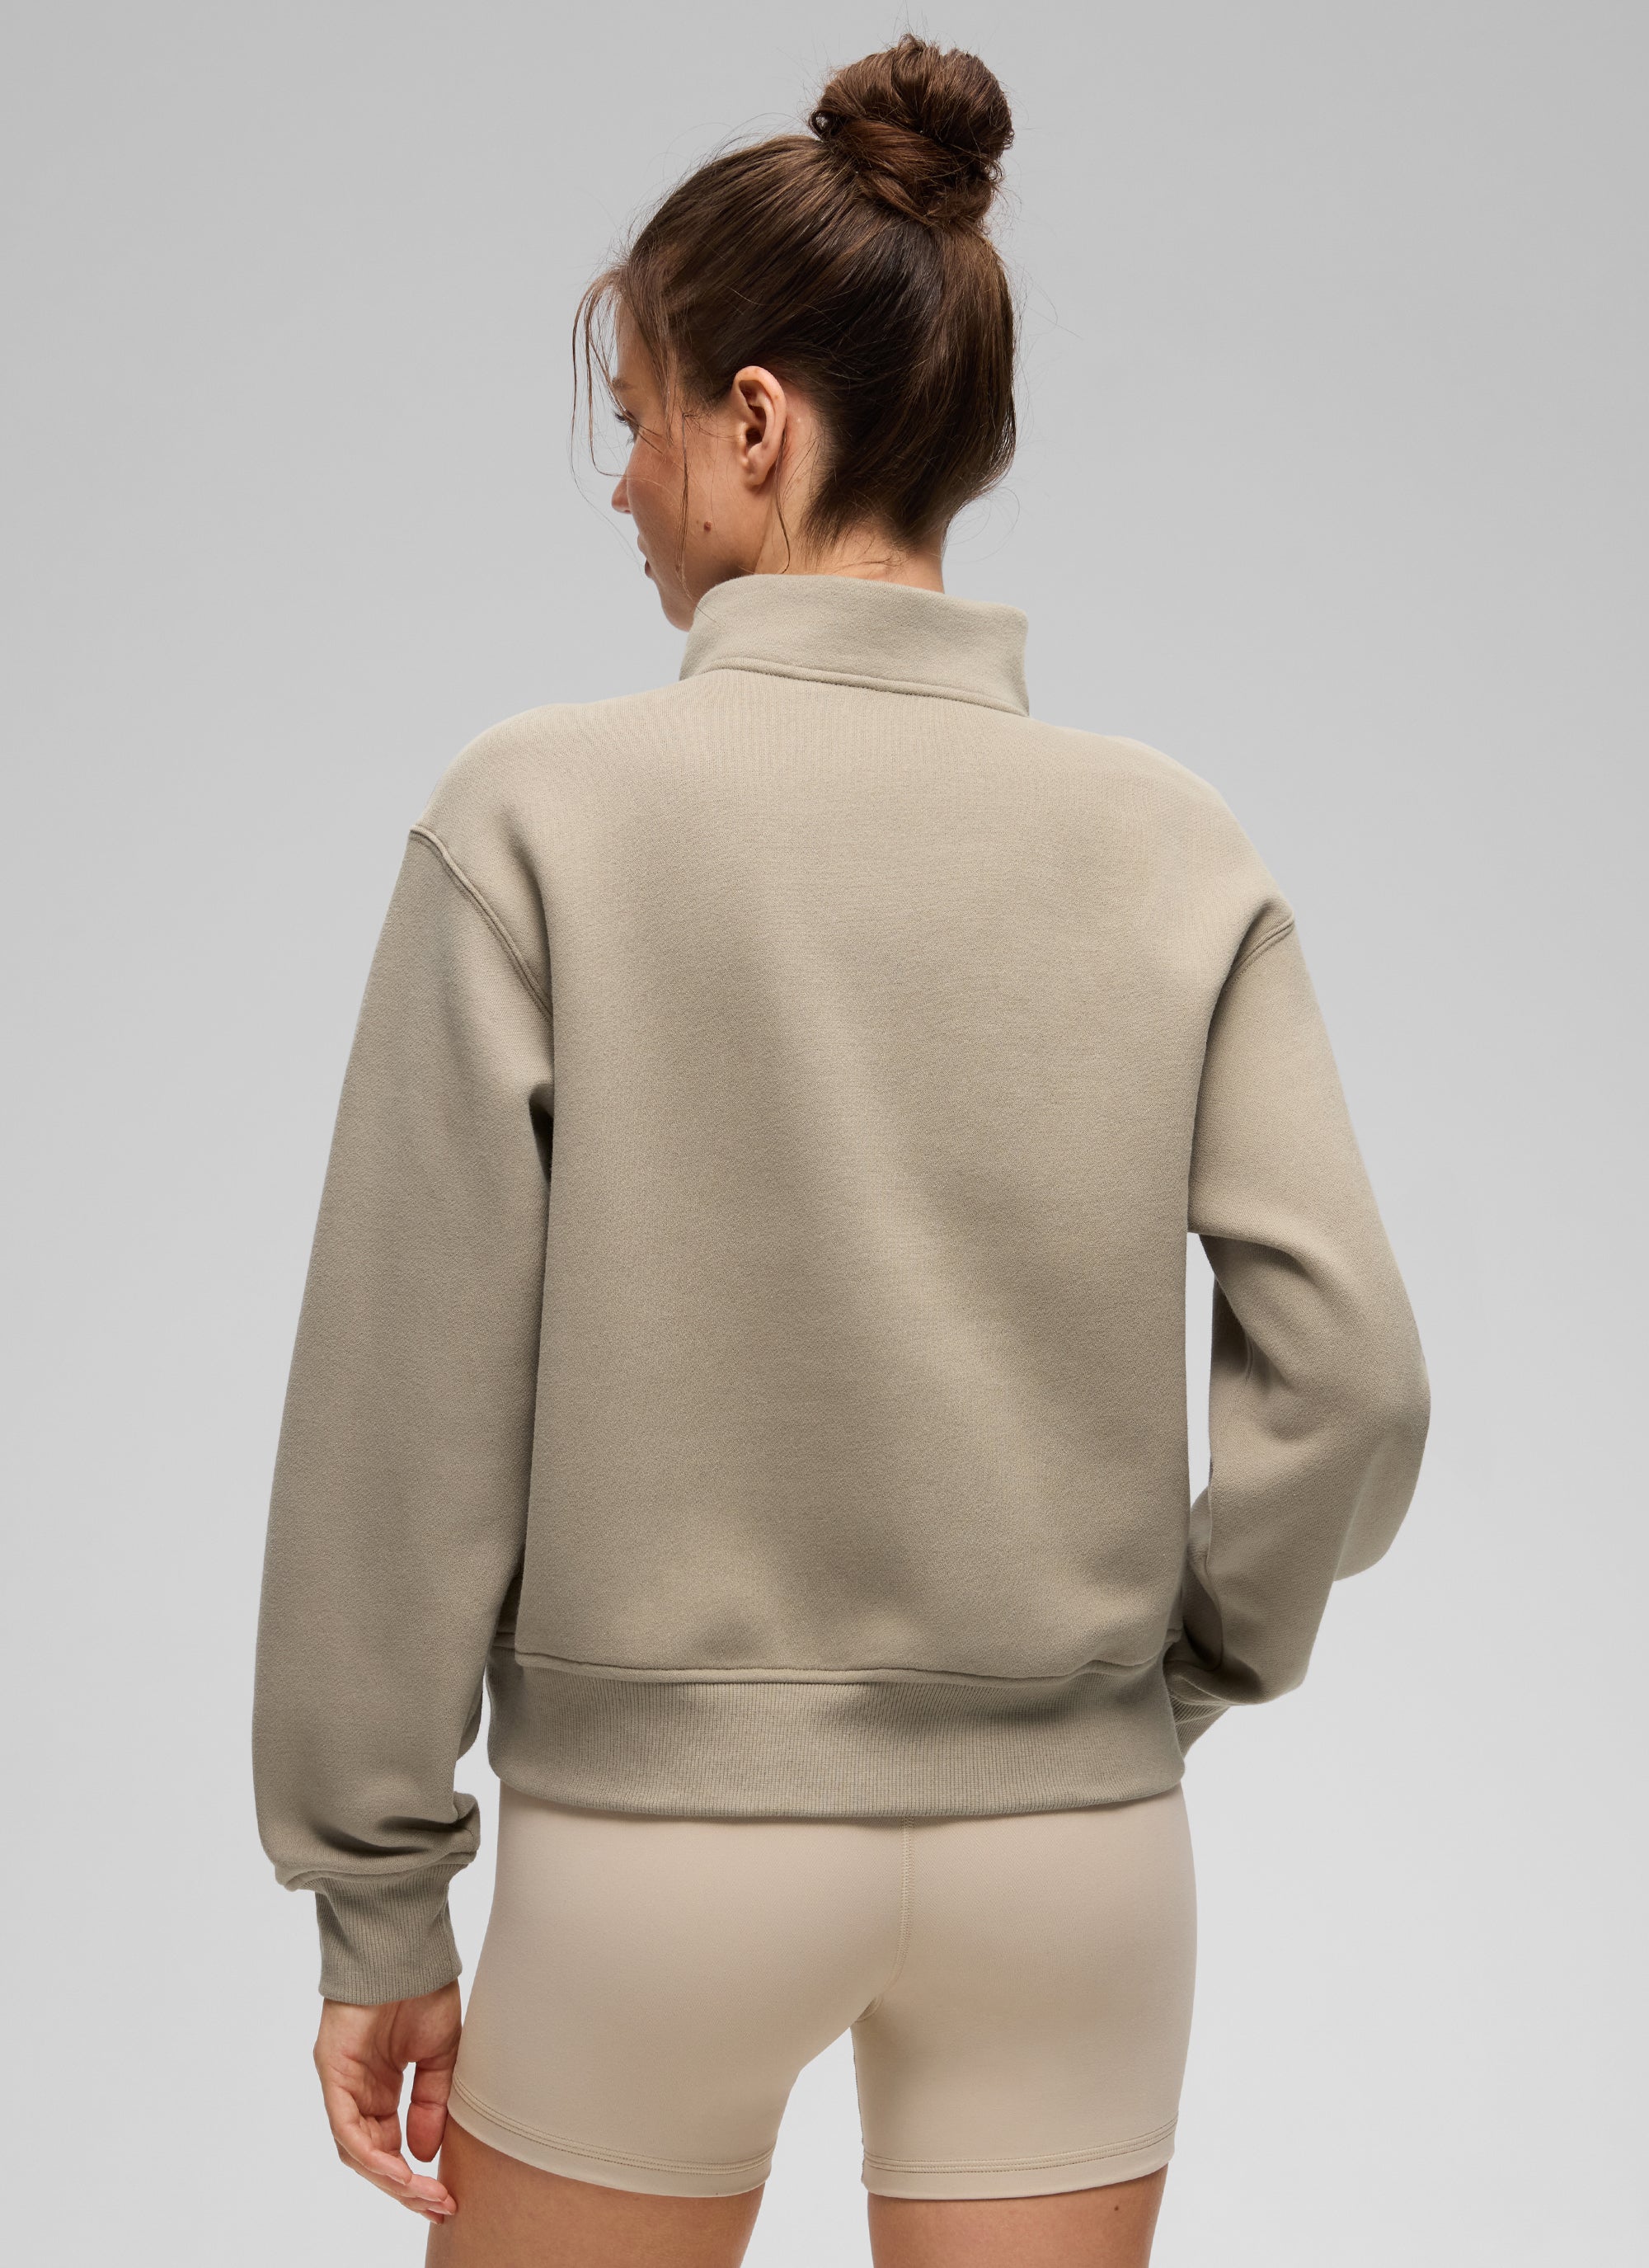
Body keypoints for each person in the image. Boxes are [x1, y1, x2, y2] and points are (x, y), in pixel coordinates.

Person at [251, 34, 1431, 2268]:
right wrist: (1174, 1675)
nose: (625, 487)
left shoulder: (535, 818)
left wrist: (376, 1894)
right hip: (1074, 1862)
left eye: (637, 421)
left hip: (655, 1859)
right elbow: (1355, 1372)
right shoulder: (1175, 846)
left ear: (757, 426)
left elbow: (403, 1405)